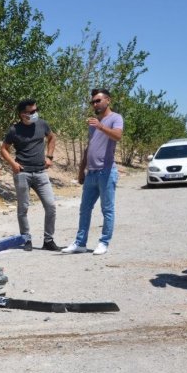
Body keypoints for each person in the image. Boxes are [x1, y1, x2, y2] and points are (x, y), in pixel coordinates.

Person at [61, 88, 124, 256]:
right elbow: (89, 147)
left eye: (98, 100)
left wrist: (101, 126)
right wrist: (81, 170)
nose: (95, 104)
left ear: (108, 100)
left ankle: (103, 242)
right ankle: (80, 243)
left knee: (107, 209)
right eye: (93, 102)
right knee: (85, 208)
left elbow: (118, 136)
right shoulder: (93, 123)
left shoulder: (115, 118)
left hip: (106, 171)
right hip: (92, 173)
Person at [0, 98, 60, 251]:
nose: (35, 113)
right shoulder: (14, 130)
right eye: (31, 112)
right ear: (22, 114)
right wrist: (13, 164)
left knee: (51, 206)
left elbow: (52, 137)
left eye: (36, 110)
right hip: (23, 173)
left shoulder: (42, 124)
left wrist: (50, 156)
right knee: (23, 208)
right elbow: (3, 149)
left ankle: (48, 240)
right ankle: (26, 239)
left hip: (41, 172)